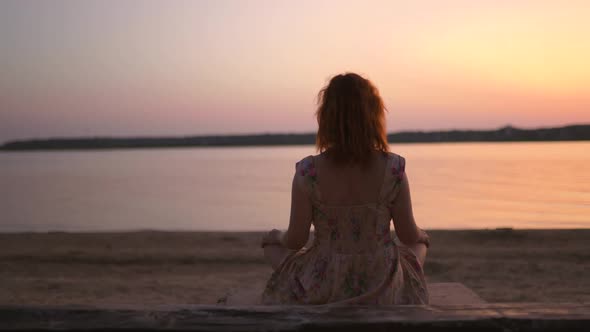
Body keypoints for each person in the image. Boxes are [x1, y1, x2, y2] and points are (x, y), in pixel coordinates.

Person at [260, 72, 430, 305]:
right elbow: (408, 235)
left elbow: (295, 240)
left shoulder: (308, 171)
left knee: (271, 246)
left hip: (325, 282)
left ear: (326, 118)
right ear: (374, 116)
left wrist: (276, 236)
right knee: (418, 247)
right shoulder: (394, 168)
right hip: (380, 281)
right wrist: (422, 236)